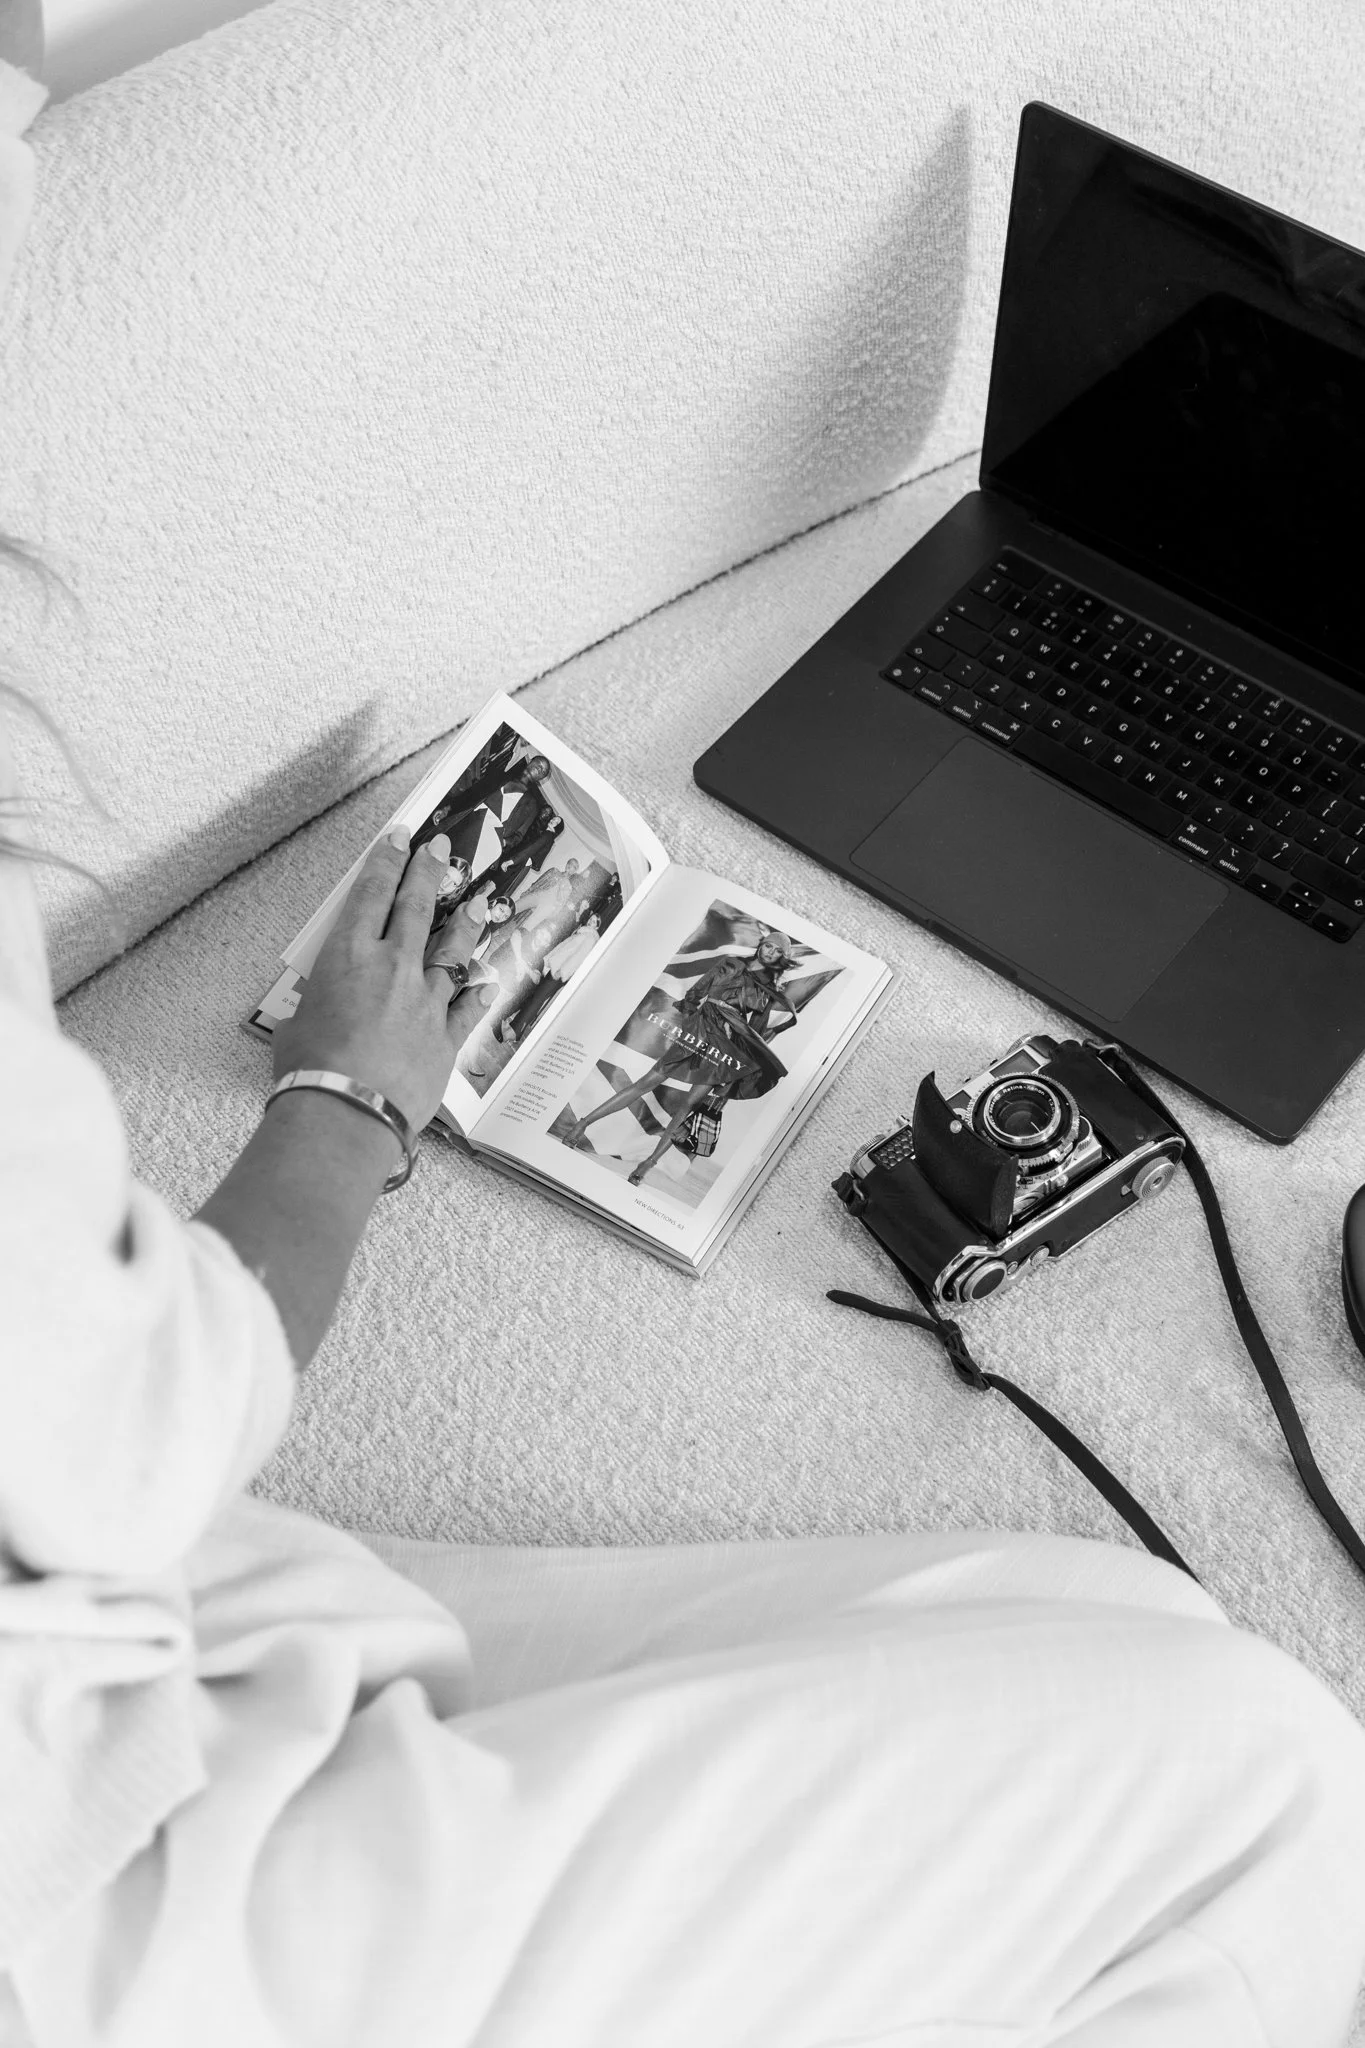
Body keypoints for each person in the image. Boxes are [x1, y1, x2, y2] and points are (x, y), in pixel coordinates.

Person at [4, 76, 1365, 2048]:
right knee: (1274, 1785)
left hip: (94, 1649)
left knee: (1124, 1623)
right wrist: (351, 1096)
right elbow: (140, 1422)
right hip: (101, 1897)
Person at [562, 929, 800, 1185]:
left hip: (725, 1047)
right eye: (769, 946)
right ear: (761, 944)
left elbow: (756, 1031)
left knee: (688, 1107)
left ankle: (648, 1164)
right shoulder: (731, 962)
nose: (770, 953)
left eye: (777, 952)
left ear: (781, 958)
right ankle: (582, 1124)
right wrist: (691, 1021)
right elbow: (697, 993)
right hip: (699, 1029)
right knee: (645, 1083)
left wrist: (735, 1068)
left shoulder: (767, 990)